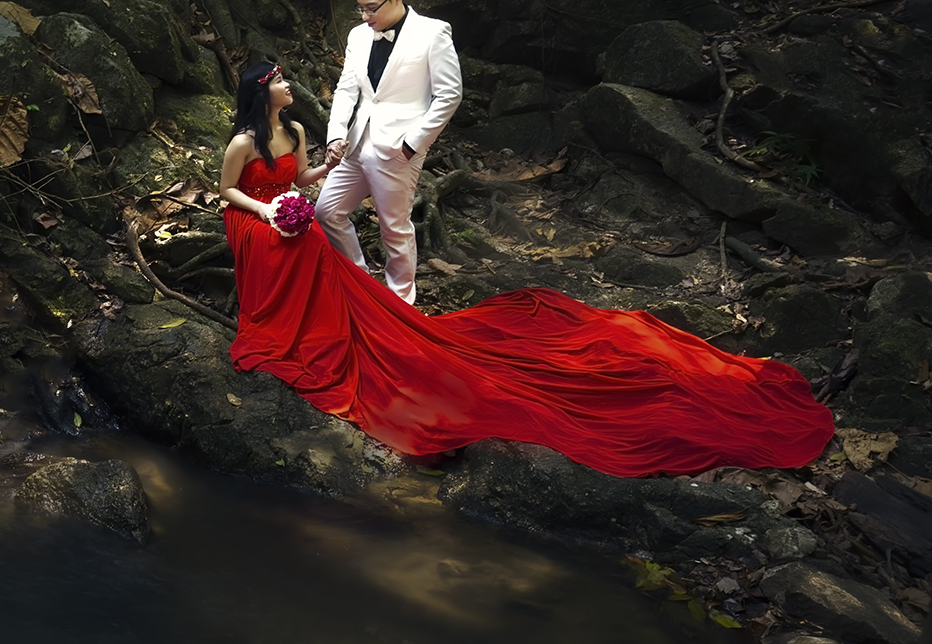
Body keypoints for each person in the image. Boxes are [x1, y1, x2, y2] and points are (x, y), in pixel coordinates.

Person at [218, 61, 835, 478]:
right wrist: (273, 211)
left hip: (284, 211)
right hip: (253, 221)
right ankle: (282, 318)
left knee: (313, 249)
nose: (288, 85)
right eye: (278, 80)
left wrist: (320, 175)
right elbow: (227, 194)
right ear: (259, 92)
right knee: (293, 245)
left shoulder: (296, 129)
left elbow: (297, 178)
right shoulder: (242, 143)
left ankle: (325, 314)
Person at [317, 0, 461, 305]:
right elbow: (347, 89)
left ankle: (400, 304)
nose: (365, 16)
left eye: (372, 7)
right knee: (327, 212)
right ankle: (361, 283)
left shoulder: (432, 33)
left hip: (400, 147)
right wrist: (335, 134)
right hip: (355, 143)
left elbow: (450, 94)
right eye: (361, 7)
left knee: (394, 229)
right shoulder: (357, 35)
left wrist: (414, 144)